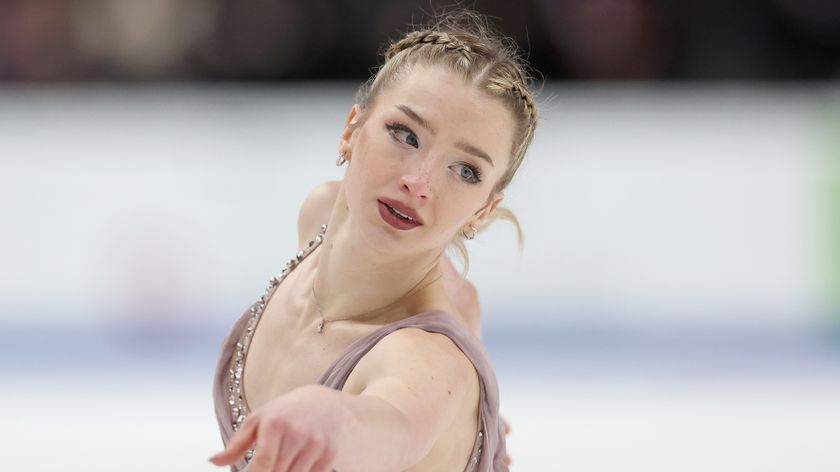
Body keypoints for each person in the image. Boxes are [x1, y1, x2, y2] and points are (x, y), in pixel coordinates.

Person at [209, 9, 538, 472]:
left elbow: (395, 421)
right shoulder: (322, 215)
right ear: (352, 129)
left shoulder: (425, 361)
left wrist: (339, 417)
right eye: (405, 134)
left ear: (483, 211)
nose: (419, 183)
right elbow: (461, 298)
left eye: (466, 171)